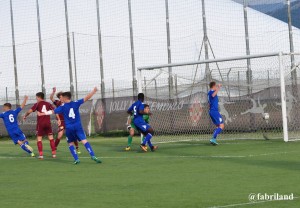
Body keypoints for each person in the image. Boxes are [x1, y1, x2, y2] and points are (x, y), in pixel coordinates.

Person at [38, 87, 101, 164]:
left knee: (70, 143)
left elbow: (52, 111)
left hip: (69, 127)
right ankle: (93, 155)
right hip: (78, 126)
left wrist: (42, 113)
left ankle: (76, 159)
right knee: (84, 141)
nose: (61, 99)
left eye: (62, 97)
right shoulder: (76, 103)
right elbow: (87, 97)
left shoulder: (63, 107)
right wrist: (93, 91)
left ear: (65, 98)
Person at [23, 92, 59, 159]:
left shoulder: (37, 104)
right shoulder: (48, 104)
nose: (36, 99)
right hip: (48, 123)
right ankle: (54, 154)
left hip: (40, 124)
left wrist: (25, 116)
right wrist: (59, 119)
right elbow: (55, 111)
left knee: (39, 139)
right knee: (51, 138)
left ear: (39, 97)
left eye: (36, 97)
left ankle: (41, 155)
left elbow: (29, 111)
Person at [50, 87, 80, 153]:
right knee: (60, 135)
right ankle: (54, 148)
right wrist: (53, 92)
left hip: (69, 121)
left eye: (62, 97)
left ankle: (77, 147)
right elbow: (51, 98)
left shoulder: (68, 103)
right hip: (62, 122)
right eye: (60, 97)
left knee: (73, 135)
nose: (61, 98)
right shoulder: (58, 103)